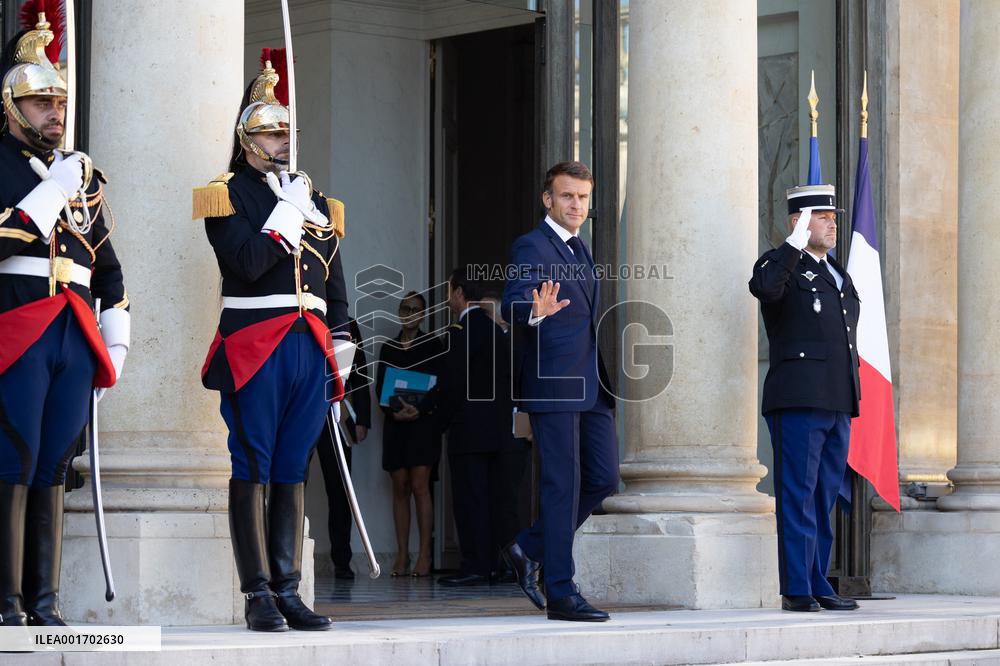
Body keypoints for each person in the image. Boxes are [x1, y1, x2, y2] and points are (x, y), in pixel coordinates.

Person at [193, 53, 350, 632]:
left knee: (292, 465)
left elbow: (335, 286)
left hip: (310, 344)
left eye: (288, 131)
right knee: (254, 460)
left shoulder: (317, 200)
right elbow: (247, 262)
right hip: (257, 341)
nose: (284, 140)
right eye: (271, 131)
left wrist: (342, 351)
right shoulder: (227, 194)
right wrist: (285, 213)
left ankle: (288, 588)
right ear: (247, 139)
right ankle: (256, 592)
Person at [0, 11, 130, 627]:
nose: (55, 113)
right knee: (15, 458)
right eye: (40, 103)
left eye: (58, 102)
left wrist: (116, 341)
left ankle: (44, 601)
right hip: (17, 327)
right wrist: (51, 191)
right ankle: (6, 602)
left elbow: (108, 269)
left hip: (74, 333)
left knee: (55, 462)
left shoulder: (83, 177)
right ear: (11, 106)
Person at [500, 161, 618, 622]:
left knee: (603, 478)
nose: (576, 205)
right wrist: (534, 311)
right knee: (561, 485)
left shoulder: (580, 247)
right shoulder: (532, 245)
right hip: (553, 383)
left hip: (589, 383)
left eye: (583, 197)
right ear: (547, 200)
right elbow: (513, 300)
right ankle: (562, 593)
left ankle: (529, 547)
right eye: (567, 196)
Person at [748, 184, 862, 613]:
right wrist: (792, 246)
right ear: (798, 222)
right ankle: (797, 588)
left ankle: (818, 581)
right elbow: (765, 289)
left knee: (823, 496)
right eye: (822, 217)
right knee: (798, 494)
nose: (832, 224)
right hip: (798, 398)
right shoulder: (780, 265)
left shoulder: (837, 274)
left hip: (837, 399)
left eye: (833, 218)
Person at [437, 269, 526, 587]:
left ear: (459, 292)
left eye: (450, 290)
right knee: (496, 501)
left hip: (469, 431)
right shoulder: (495, 331)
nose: (448, 297)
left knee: (470, 500)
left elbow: (452, 383)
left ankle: (476, 565)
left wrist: (437, 421)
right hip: (499, 431)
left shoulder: (460, 331)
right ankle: (500, 566)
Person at [376, 291, 444, 577]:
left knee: (420, 486)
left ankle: (425, 555)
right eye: (405, 308)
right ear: (399, 313)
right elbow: (380, 387)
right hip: (396, 425)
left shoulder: (433, 345)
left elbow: (440, 386)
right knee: (400, 486)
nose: (410, 313)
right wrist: (395, 412)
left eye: (415, 309)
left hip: (423, 425)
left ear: (423, 314)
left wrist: (420, 409)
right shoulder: (388, 348)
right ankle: (402, 555)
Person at [314, 317, 371, 580]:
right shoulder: (304, 314)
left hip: (337, 414)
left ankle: (342, 561)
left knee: (340, 489)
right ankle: (287, 558)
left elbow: (360, 373)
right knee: (292, 482)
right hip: (303, 409)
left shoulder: (346, 323)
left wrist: (363, 419)